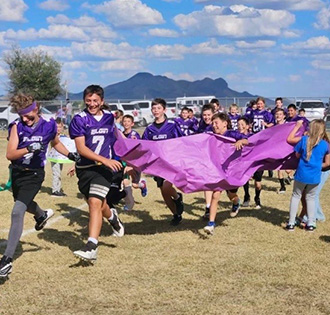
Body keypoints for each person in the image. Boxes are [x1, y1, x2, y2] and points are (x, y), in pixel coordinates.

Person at [0, 94, 78, 278]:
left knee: (17, 210)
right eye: (21, 116)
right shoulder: (16, 127)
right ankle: (41, 214)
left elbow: (56, 143)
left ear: (36, 109)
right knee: (23, 203)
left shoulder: (49, 125)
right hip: (18, 172)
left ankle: (7, 260)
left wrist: (71, 155)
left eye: (28, 115)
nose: (25, 119)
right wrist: (28, 148)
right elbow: (10, 154)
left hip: (34, 174)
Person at [69, 85, 125, 262]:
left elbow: (116, 138)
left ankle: (91, 246)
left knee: (94, 202)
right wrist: (103, 159)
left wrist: (126, 154)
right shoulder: (79, 119)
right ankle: (113, 217)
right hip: (85, 169)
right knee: (99, 205)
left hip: (104, 169)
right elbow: (81, 148)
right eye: (88, 101)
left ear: (102, 101)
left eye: (95, 101)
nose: (92, 104)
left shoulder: (109, 117)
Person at [204, 113, 249, 235]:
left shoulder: (232, 134)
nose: (213, 125)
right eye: (212, 123)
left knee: (231, 194)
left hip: (232, 171)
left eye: (216, 122)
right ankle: (211, 223)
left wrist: (241, 141)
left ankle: (236, 202)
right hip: (218, 171)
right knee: (216, 195)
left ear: (225, 123)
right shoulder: (212, 136)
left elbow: (247, 139)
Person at [142, 98, 184, 225]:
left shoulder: (172, 125)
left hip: (171, 162)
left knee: (167, 186)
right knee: (163, 192)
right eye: (154, 108)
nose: (156, 111)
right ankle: (176, 215)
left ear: (164, 110)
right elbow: (144, 145)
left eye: (159, 108)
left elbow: (181, 141)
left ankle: (177, 198)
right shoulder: (149, 129)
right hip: (157, 165)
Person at [286, 119, 330, 231]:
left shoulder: (304, 140)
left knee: (296, 196)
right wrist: (316, 165)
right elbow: (327, 163)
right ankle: (311, 223)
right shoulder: (325, 144)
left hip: (301, 174)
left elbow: (296, 155)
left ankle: (291, 223)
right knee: (311, 198)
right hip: (315, 176)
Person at [244, 97, 275, 209]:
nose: (259, 105)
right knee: (246, 171)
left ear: (264, 104)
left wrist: (266, 125)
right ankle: (246, 197)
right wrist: (248, 126)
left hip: (262, 141)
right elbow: (245, 121)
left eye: (261, 104)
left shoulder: (267, 114)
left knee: (258, 180)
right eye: (258, 104)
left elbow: (273, 124)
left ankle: (257, 199)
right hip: (253, 140)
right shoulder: (251, 112)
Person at [121, 114, 147, 211]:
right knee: (125, 182)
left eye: (128, 121)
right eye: (124, 121)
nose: (126, 123)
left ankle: (142, 184)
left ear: (132, 123)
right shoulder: (121, 134)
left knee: (135, 185)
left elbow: (138, 148)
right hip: (125, 161)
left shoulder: (134, 135)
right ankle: (130, 204)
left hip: (135, 162)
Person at [47, 118, 76, 197]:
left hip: (60, 158)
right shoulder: (52, 136)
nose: (58, 129)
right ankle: (55, 190)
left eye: (60, 127)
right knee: (56, 174)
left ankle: (58, 189)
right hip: (54, 158)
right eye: (56, 127)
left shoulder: (63, 136)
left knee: (59, 173)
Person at [197, 104, 215, 219]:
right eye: (204, 115)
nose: (206, 117)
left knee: (226, 189)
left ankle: (235, 201)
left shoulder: (217, 124)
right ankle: (208, 208)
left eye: (209, 115)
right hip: (206, 159)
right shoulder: (201, 126)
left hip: (218, 159)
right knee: (207, 183)